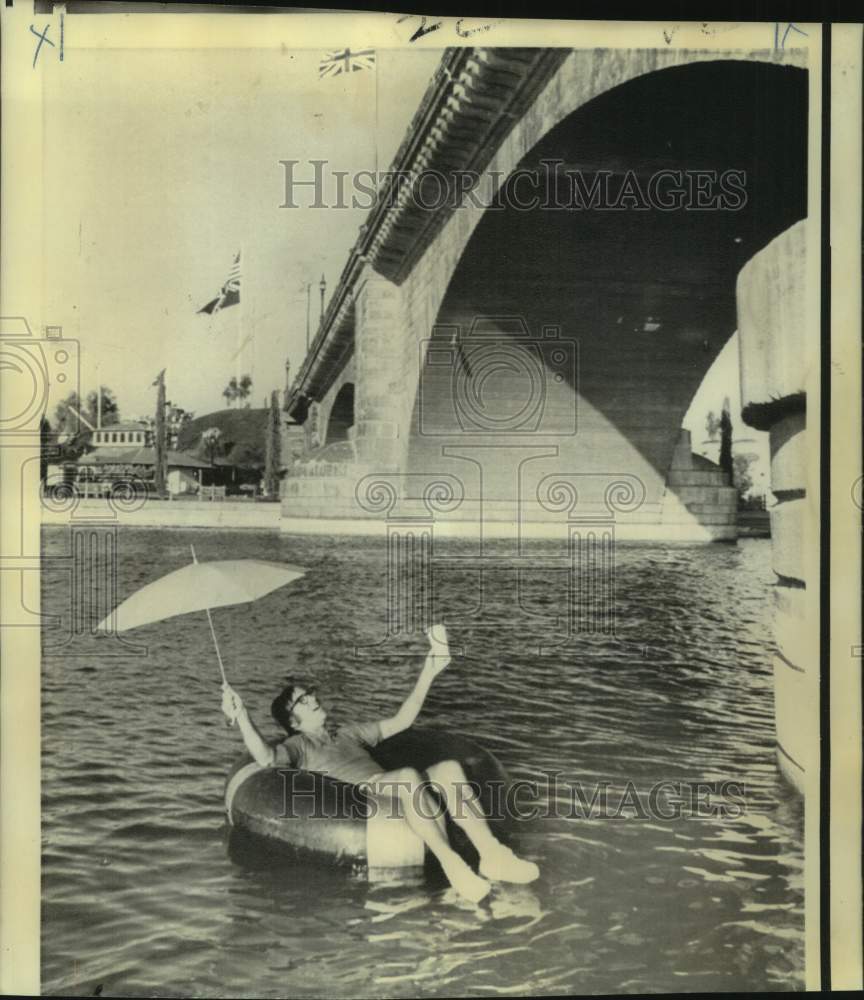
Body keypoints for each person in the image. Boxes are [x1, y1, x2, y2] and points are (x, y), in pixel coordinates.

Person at [221, 624, 539, 903]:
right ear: (293, 720)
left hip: (395, 786)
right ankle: (451, 863)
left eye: (311, 693)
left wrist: (429, 671)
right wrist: (243, 717)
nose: (314, 698)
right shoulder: (298, 746)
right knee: (408, 777)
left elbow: (403, 719)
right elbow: (265, 758)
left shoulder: (348, 733)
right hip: (365, 796)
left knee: (449, 769)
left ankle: (492, 855)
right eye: (304, 700)